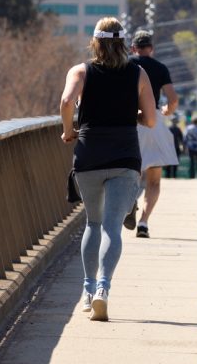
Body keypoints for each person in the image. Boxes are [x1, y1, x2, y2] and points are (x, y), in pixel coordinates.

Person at [60, 17, 157, 322]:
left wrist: (67, 131)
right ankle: (104, 288)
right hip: (124, 157)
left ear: (95, 42)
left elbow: (66, 101)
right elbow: (152, 119)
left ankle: (88, 292)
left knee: (92, 223)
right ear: (123, 43)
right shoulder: (138, 73)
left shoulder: (81, 71)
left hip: (90, 154)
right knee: (113, 227)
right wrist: (135, 116)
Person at [126, 30, 179, 237]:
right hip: (153, 122)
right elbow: (173, 99)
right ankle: (144, 223)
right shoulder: (160, 68)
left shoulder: (127, 65)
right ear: (151, 48)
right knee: (154, 180)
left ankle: (129, 203)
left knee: (130, 173)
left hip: (130, 123)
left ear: (133, 48)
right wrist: (166, 111)